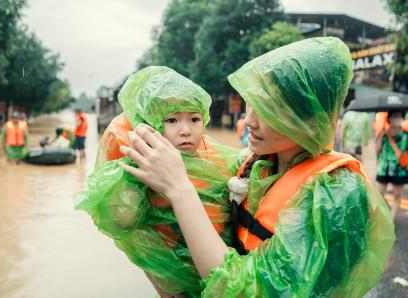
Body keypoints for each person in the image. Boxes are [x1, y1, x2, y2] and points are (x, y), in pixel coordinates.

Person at [119, 37, 394, 297]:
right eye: (251, 105)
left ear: (309, 117)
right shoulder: (259, 164)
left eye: (266, 110)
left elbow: (247, 291)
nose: (249, 121)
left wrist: (179, 189)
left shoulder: (336, 195)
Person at [76, 66, 239, 297]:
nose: (185, 130)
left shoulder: (217, 159)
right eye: (172, 120)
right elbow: (121, 221)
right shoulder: (141, 165)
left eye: (194, 119)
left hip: (222, 267)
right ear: (151, 124)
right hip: (175, 276)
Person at [375, 111, 408, 219]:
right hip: (384, 168)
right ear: (389, 119)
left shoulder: (406, 135)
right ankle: (384, 213)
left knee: (397, 195)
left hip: (399, 170)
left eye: (399, 116)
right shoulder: (384, 134)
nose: (397, 119)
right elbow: (377, 151)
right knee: (378, 195)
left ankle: (391, 218)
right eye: (394, 116)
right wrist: (379, 135)